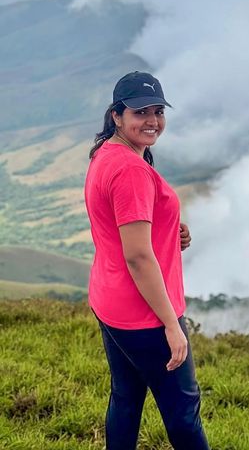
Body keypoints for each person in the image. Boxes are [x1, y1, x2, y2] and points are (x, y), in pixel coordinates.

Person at [84, 71, 210, 450]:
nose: (152, 120)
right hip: (146, 314)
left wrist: (170, 229)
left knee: (125, 397)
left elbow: (122, 223)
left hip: (110, 302)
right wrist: (171, 324)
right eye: (140, 112)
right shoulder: (131, 170)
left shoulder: (107, 154)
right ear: (117, 116)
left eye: (158, 111)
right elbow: (138, 256)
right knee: (184, 413)